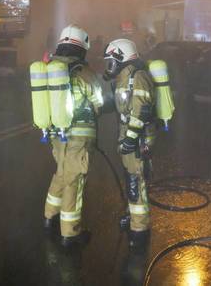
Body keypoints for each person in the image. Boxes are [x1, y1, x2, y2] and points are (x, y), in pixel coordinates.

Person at [43, 24, 104, 247]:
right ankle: (70, 234)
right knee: (74, 182)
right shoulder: (83, 72)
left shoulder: (51, 68)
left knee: (61, 174)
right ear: (82, 49)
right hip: (78, 138)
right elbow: (99, 102)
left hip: (56, 135)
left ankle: (49, 219)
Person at [103, 38, 156, 249]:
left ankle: (140, 231)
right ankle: (133, 217)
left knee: (136, 182)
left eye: (111, 61)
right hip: (128, 137)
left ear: (122, 58)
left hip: (137, 139)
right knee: (130, 179)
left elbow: (140, 112)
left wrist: (131, 139)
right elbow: (119, 105)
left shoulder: (138, 77)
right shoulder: (124, 78)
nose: (109, 66)